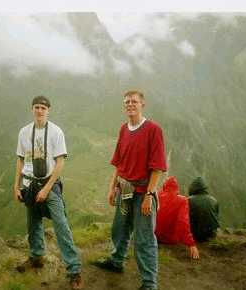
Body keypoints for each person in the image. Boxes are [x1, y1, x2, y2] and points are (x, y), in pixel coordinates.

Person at [93, 90, 167, 290]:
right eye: (127, 102)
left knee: (144, 238)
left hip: (143, 192)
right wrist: (111, 189)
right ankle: (116, 262)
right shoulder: (124, 129)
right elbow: (119, 163)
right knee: (120, 229)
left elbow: (157, 167)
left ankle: (149, 283)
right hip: (124, 189)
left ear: (143, 104)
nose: (130, 105)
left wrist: (149, 196)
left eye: (134, 101)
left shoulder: (153, 130)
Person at [13, 96, 83, 290]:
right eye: (36, 107)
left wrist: (46, 188)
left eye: (43, 108)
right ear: (32, 109)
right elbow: (20, 160)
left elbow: (60, 162)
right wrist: (16, 186)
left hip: (49, 185)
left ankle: (74, 270)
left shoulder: (56, 132)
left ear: (48, 110)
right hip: (29, 185)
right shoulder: (24, 132)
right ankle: (37, 257)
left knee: (61, 225)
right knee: (33, 223)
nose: (40, 111)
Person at [155, 176, 200, 259]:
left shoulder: (156, 195)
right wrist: (191, 244)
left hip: (155, 236)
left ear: (165, 186)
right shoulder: (182, 200)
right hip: (171, 240)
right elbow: (183, 222)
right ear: (176, 188)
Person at [188, 176, 220, 242]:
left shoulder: (189, 200)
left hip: (195, 235)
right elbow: (216, 216)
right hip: (211, 235)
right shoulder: (214, 200)